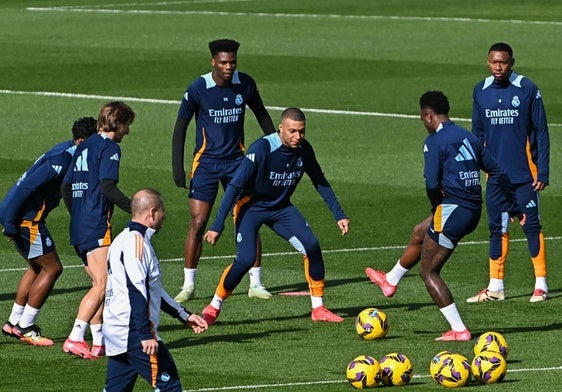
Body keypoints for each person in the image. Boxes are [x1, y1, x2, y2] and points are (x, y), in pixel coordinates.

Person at [368, 91, 523, 341]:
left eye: (422, 118)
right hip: (471, 211)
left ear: (428, 115)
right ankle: (390, 280)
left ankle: (459, 330)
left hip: (452, 211)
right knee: (420, 231)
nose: (423, 122)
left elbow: (431, 183)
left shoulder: (434, 142)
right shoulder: (468, 137)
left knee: (428, 272)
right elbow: (499, 172)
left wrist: (436, 207)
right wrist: (514, 207)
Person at [201, 107, 350, 325]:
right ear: (281, 128)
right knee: (245, 259)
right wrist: (217, 225)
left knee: (312, 245)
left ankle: (318, 309)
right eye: (292, 131)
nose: (297, 136)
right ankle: (214, 305)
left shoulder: (304, 150)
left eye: (301, 131)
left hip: (281, 208)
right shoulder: (261, 149)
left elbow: (319, 180)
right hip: (250, 207)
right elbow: (234, 187)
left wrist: (339, 215)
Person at [172, 38, 276, 303]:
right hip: (205, 164)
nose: (229, 67)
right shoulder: (198, 88)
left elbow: (262, 115)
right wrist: (177, 167)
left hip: (237, 163)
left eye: (232, 62)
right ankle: (189, 285)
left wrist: (276, 147)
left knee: (249, 217)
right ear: (213, 62)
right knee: (198, 223)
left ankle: (256, 283)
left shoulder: (246, 84)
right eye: (223, 62)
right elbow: (181, 127)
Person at [0, 117, 97, 346]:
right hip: (26, 221)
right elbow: (27, 186)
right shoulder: (62, 161)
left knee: (36, 267)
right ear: (81, 141)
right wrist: (11, 222)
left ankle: (13, 323)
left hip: (19, 216)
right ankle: (26, 327)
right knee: (53, 269)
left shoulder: (66, 148)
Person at [467, 42, 550, 303]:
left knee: (531, 226)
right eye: (493, 62)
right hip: (496, 177)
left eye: (502, 62)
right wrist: (477, 169)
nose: (498, 66)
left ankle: (541, 285)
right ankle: (495, 287)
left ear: (512, 62)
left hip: (525, 175)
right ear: (487, 61)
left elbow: (541, 132)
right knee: (496, 228)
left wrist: (543, 172)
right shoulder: (480, 91)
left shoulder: (527, 89)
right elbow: (477, 135)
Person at [103, 188, 207, 392]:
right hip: (133, 331)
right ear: (151, 213)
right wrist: (144, 334)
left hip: (117, 330)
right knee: (169, 387)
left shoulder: (122, 240)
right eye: (162, 212)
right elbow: (137, 290)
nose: (164, 217)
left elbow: (152, 290)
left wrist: (183, 315)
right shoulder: (136, 243)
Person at [61, 101, 135, 359]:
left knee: (98, 282)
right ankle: (75, 337)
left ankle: (99, 343)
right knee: (103, 284)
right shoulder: (109, 148)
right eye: (127, 125)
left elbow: (66, 187)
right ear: (119, 123)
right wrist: (133, 208)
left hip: (79, 224)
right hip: (95, 224)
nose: (128, 131)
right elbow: (107, 187)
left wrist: (78, 213)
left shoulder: (85, 145)